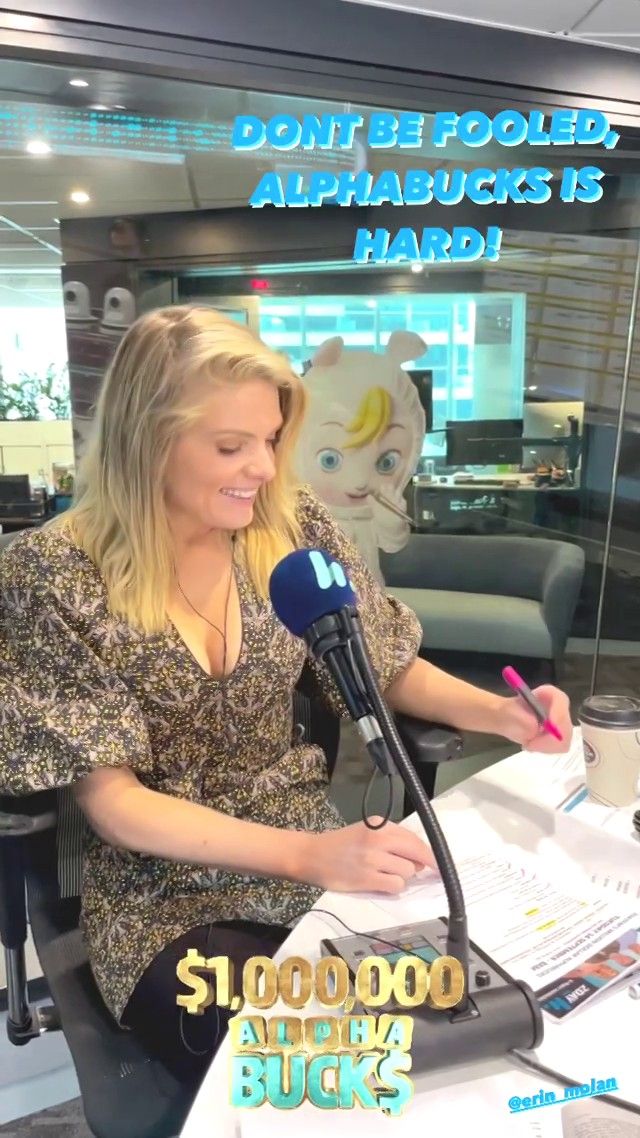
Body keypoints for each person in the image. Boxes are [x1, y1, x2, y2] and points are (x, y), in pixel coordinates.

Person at [0, 306, 572, 1096]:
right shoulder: (50, 574)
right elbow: (116, 805)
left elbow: (381, 664)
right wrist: (311, 856)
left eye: (271, 439)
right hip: (165, 896)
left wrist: (499, 714)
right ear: (146, 438)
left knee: (452, 1030)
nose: (264, 468)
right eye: (231, 446)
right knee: (326, 1069)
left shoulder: (292, 527)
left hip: (314, 850)